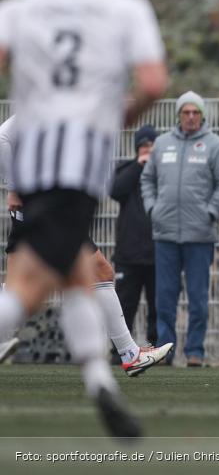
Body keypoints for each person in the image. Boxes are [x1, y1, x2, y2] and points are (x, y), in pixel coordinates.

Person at [0, 0, 168, 437]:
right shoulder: (126, 8)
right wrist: (117, 118)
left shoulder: (20, 9)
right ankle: (106, 377)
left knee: (79, 274)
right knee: (27, 287)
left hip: (33, 163)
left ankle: (102, 381)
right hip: (78, 166)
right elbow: (155, 81)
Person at [1, 116, 171, 375]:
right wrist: (14, 188)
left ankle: (128, 354)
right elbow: (2, 138)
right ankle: (129, 354)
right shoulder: (47, 102)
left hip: (49, 204)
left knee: (19, 284)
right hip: (45, 205)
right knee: (98, 272)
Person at [142, 91, 219, 367]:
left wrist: (210, 212)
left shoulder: (215, 145)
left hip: (200, 235)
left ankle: (195, 351)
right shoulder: (161, 144)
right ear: (179, 115)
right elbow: (147, 181)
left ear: (202, 116)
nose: (191, 117)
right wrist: (153, 209)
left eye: (196, 112)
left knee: (197, 298)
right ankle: (164, 352)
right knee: (165, 298)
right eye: (186, 112)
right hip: (165, 233)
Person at [111, 124, 158, 348]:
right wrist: (139, 165)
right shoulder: (126, 168)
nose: (148, 149)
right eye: (143, 146)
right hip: (128, 254)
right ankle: (120, 350)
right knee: (124, 305)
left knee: (158, 306)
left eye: (152, 145)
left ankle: (157, 349)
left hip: (157, 254)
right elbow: (115, 191)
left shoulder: (162, 172)